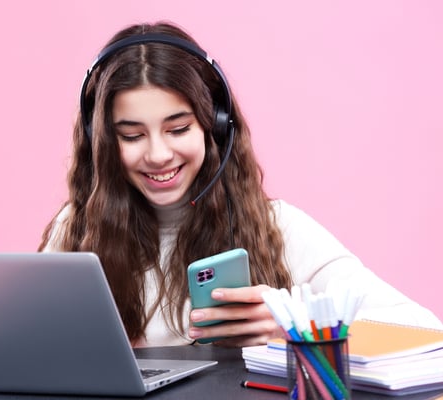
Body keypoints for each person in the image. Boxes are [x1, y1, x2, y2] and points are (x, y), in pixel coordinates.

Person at [38, 21, 442, 348]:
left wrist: (293, 327)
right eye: (131, 136)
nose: (158, 154)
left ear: (214, 126)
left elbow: (422, 331)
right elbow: (27, 352)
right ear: (102, 141)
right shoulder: (75, 230)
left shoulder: (280, 228)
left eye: (178, 129)